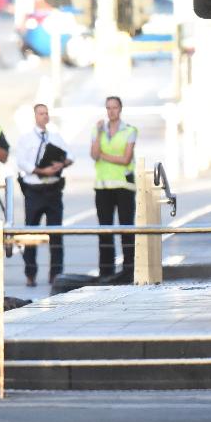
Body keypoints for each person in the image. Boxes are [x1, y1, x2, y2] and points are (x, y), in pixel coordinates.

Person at [15, 104, 73, 287]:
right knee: (30, 233)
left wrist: (61, 164)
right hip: (34, 190)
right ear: (35, 116)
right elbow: (21, 162)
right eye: (41, 113)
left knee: (56, 233)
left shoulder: (55, 137)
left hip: (53, 189)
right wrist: (41, 171)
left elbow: (70, 156)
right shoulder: (26, 139)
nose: (45, 116)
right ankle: (30, 273)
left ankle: (56, 274)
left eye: (46, 113)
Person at [91, 96, 138, 283]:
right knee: (105, 231)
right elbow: (94, 154)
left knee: (126, 229)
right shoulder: (98, 130)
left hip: (123, 186)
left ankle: (129, 269)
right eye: (108, 108)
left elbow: (126, 159)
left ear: (120, 109)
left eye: (115, 107)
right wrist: (99, 134)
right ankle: (106, 271)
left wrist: (104, 155)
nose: (111, 111)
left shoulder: (130, 130)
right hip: (102, 187)